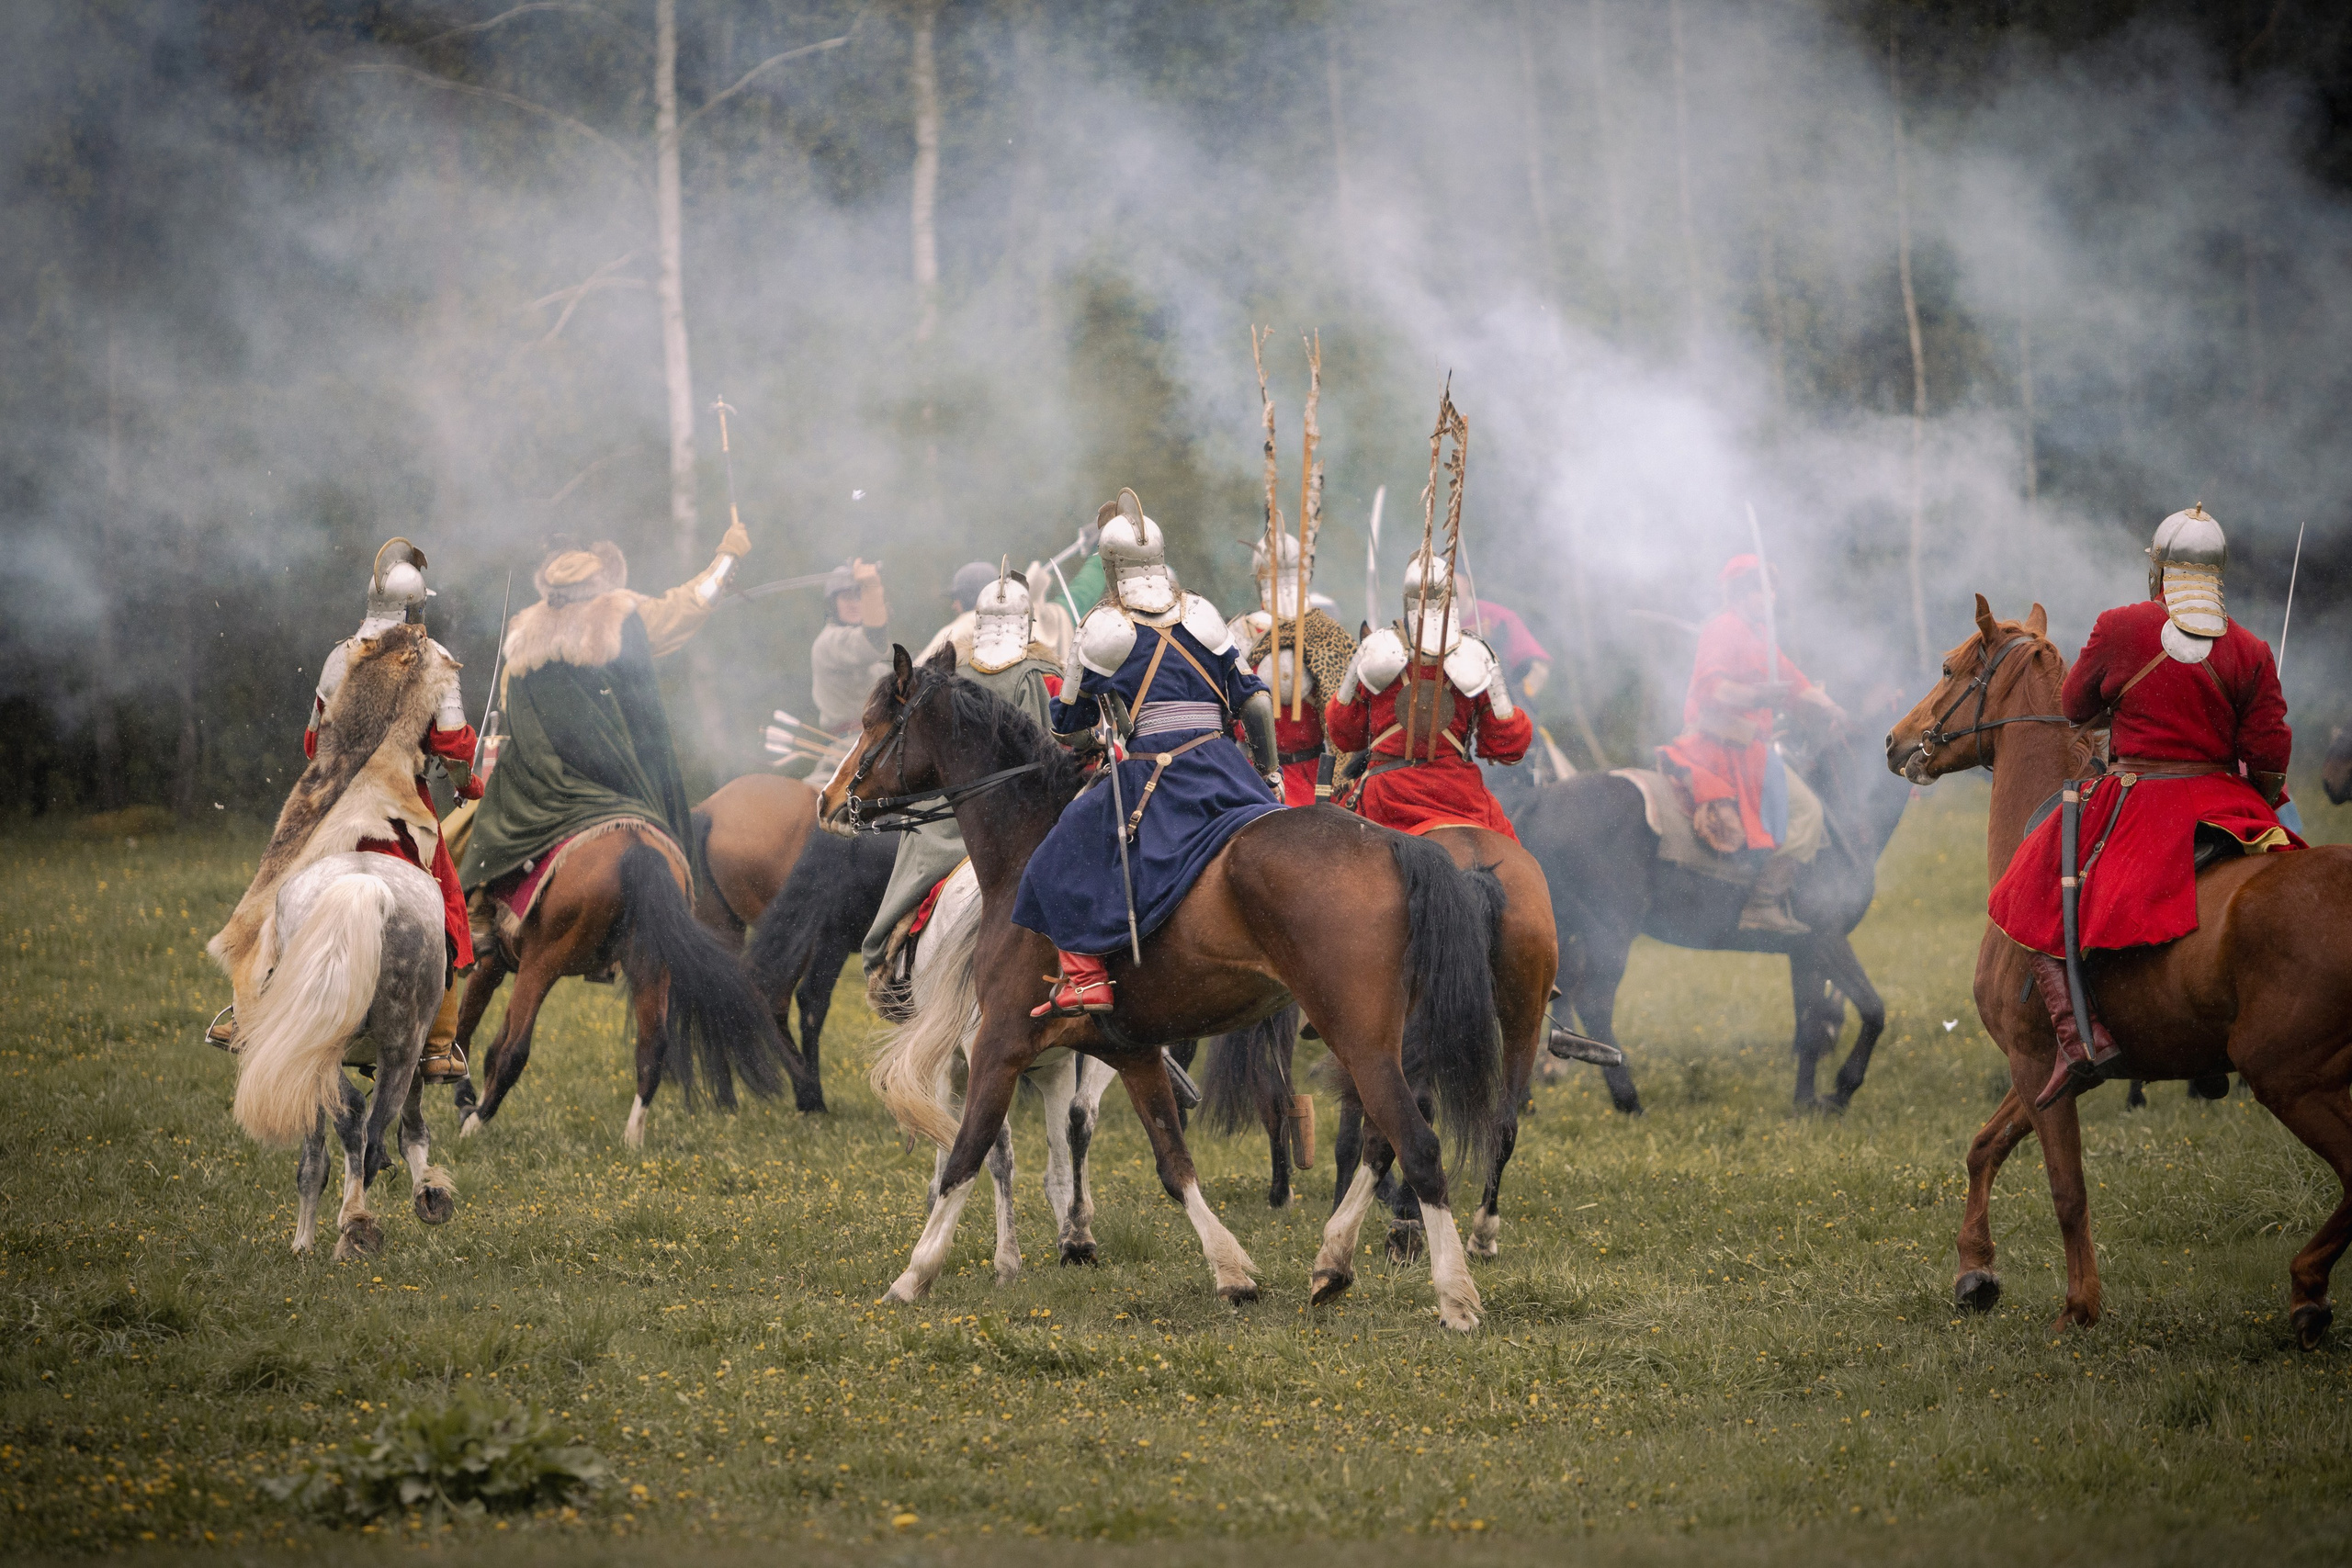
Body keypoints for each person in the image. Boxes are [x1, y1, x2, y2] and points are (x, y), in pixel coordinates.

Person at [1987, 503, 2299, 1109]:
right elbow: (2267, 754)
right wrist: (2255, 802)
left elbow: (2076, 705)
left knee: (2031, 882)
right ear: (2218, 577)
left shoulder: (2120, 626)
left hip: (2139, 798)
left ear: (2157, 573)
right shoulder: (2251, 648)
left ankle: (2079, 1039)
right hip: (2229, 805)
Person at [204, 539, 481, 1082]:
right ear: (418, 608)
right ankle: (439, 1047)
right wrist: (466, 783)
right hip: (403, 804)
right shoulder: (437, 661)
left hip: (329, 802)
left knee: (271, 890)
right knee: (447, 905)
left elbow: (313, 740)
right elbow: (452, 745)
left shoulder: (341, 655)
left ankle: (243, 1016)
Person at [1012, 489, 1284, 1015]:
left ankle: (1088, 980)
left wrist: (1101, 732)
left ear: (1111, 568)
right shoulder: (1203, 613)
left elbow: (1066, 728)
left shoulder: (1103, 628)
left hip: (1152, 775)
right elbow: (1255, 704)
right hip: (1228, 770)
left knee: (1055, 856)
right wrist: (1270, 776)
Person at [458, 523, 749, 922]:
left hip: (538, 781)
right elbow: (690, 603)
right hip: (611, 775)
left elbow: (510, 720)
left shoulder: (525, 631)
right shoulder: (619, 614)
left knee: (468, 832)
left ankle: (479, 910)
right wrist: (727, 558)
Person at [864, 566, 1062, 1012]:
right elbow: (1057, 748)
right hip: (1022, 817)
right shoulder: (1045, 672)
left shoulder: (955, 668)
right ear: (1028, 621)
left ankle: (891, 958)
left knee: (919, 838)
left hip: (957, 811)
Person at [1655, 554, 1842, 934]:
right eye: (1762, 588)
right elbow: (1714, 688)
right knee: (1808, 812)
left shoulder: (1759, 638)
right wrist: (1759, 696)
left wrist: (1838, 710)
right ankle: (1763, 903)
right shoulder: (1723, 628)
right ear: (1742, 593)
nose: (1770, 597)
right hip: (1722, 747)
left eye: (1772, 589)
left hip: (1752, 749)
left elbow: (1798, 687)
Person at [1324, 549, 1532, 837]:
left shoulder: (1375, 650)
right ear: (1454, 600)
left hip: (1385, 797)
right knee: (1511, 864)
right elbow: (1509, 744)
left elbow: (1343, 733)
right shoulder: (1477, 654)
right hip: (1459, 797)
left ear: (1407, 599)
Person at [1226, 530, 1357, 806]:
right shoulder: (1327, 631)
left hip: (1257, 783)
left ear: (1259, 576)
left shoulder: (1239, 633)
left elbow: (1226, 713)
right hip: (1320, 783)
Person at [810, 558, 888, 734]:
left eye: (859, 596)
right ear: (833, 604)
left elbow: (883, 678)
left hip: (874, 736)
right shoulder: (829, 641)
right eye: (846, 597)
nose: (854, 603)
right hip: (849, 742)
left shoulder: (855, 649)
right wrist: (872, 590)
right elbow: (871, 642)